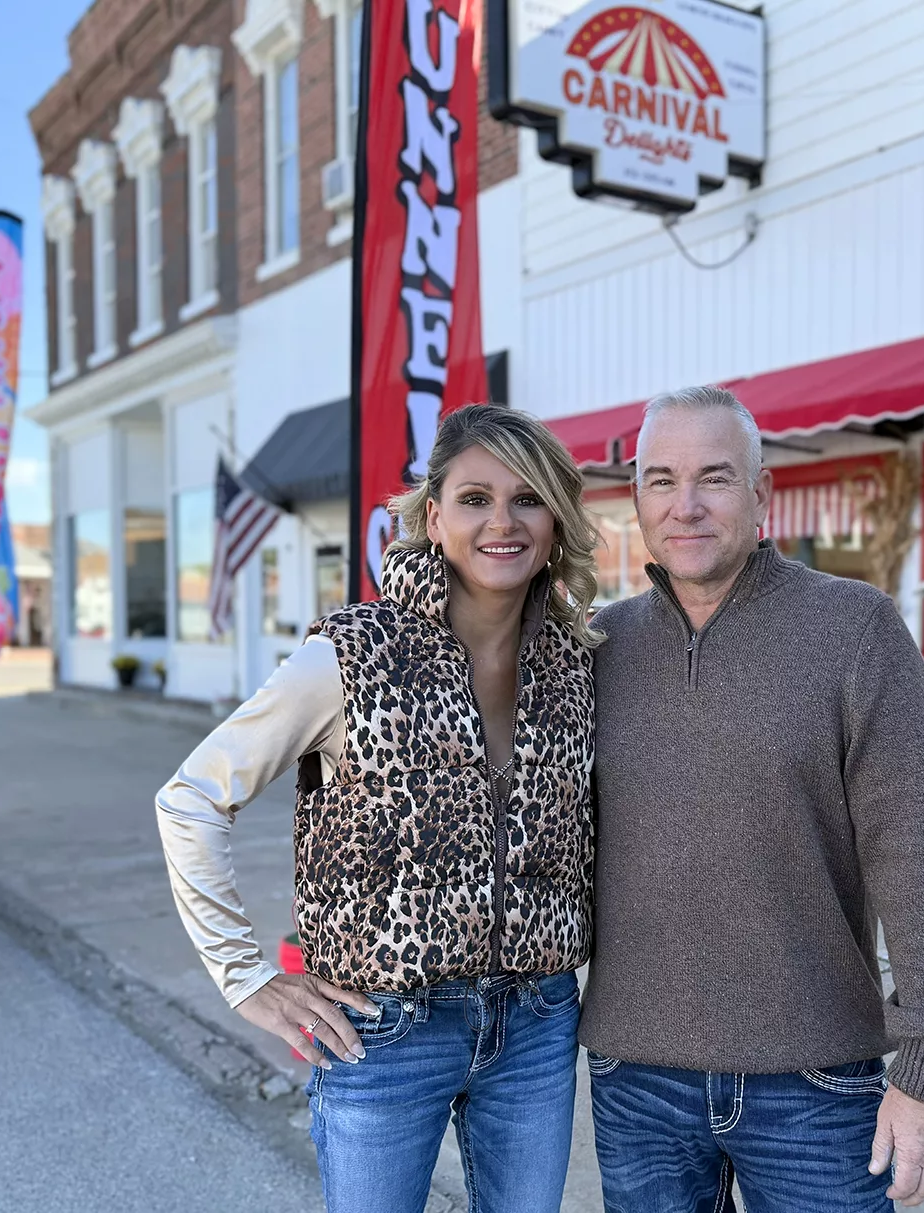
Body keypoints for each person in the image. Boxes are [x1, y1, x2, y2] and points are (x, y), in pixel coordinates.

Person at [156, 404, 602, 1213]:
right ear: (434, 517)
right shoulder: (355, 653)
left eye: (527, 497)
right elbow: (190, 798)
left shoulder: (576, 664)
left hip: (537, 1021)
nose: (501, 521)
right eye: (474, 498)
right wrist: (244, 976)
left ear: (556, 518)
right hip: (385, 1029)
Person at [583, 386, 924, 1212]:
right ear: (636, 500)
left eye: (713, 478)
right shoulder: (596, 648)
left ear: (762, 494)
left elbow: (917, 856)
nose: (684, 506)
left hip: (816, 1083)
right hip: (635, 1078)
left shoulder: (854, 629)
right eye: (661, 480)